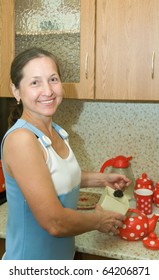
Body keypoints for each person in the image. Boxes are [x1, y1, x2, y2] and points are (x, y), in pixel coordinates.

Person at [1, 47, 130, 260]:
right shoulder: (21, 140)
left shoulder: (57, 131)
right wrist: (98, 220)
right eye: (35, 82)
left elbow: (58, 176)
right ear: (16, 91)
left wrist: (102, 180)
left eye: (53, 79)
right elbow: (54, 222)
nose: (48, 90)